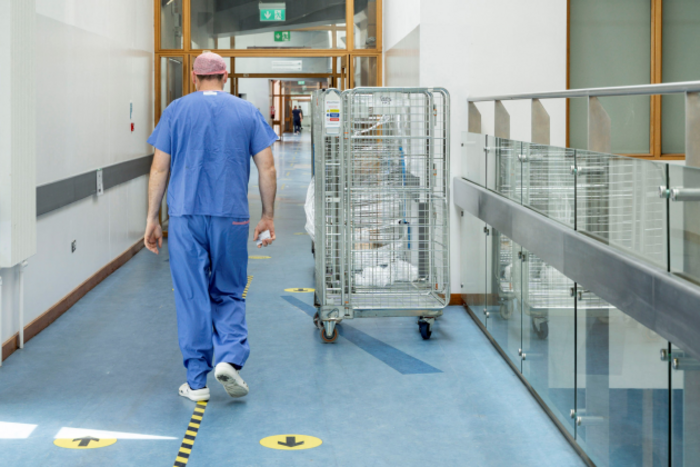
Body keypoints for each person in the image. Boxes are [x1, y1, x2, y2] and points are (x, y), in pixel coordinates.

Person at [144, 52, 278, 402]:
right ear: (226, 76)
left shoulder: (175, 111)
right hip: (231, 215)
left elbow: (160, 169)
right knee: (230, 289)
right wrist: (268, 215)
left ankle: (197, 381)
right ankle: (230, 357)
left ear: (193, 77)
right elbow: (267, 169)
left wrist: (152, 219)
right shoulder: (247, 112)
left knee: (191, 296)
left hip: (186, 216)